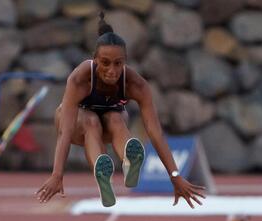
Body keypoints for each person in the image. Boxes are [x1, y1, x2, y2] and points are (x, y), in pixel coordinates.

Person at [36, 12, 205, 208]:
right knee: (91, 120)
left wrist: (175, 175)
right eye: (105, 63)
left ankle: (128, 163)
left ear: (125, 61)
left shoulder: (136, 85)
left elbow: (155, 131)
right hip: (75, 126)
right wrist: (57, 174)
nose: (112, 70)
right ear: (95, 60)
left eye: (118, 64)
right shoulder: (80, 79)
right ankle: (102, 176)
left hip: (107, 126)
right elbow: (65, 131)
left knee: (116, 118)